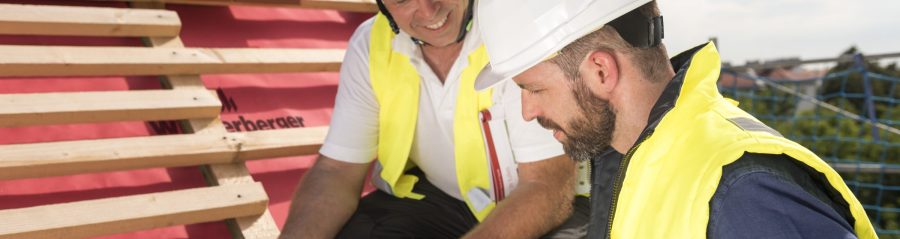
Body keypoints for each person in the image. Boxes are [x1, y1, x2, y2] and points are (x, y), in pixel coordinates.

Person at [473, 0, 878, 238]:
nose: (527, 111)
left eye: (534, 89)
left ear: (600, 71)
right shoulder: (625, 157)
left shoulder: (743, 191)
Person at [279, 0, 591, 238]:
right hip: (444, 201)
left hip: (550, 208)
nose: (429, 11)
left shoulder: (515, 27)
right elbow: (336, 171)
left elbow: (547, 189)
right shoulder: (371, 46)